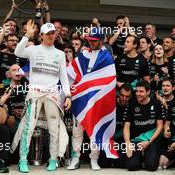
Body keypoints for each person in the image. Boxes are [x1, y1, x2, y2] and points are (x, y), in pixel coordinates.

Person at [13, 20, 71, 173]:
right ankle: (23, 160)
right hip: (35, 92)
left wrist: (68, 96)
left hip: (52, 94)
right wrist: (26, 35)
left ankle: (53, 159)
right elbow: (17, 52)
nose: (52, 36)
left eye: (53, 33)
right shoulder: (33, 49)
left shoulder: (59, 54)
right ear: (41, 36)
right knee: (28, 128)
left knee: (54, 129)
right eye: (48, 33)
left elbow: (64, 77)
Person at [67, 27, 115, 171]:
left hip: (97, 99)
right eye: (90, 40)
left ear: (101, 40)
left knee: (96, 129)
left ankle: (94, 159)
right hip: (80, 98)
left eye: (94, 41)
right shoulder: (83, 55)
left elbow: (109, 80)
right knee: (77, 131)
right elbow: (71, 73)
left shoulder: (107, 57)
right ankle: (75, 158)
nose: (91, 43)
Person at [123, 81, 165, 171]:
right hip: (135, 140)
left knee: (151, 166)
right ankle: (139, 157)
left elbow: (160, 126)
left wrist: (149, 141)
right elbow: (126, 126)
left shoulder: (156, 104)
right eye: (137, 91)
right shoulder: (132, 104)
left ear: (148, 92)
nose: (138, 94)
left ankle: (146, 156)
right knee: (131, 166)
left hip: (151, 140)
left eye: (141, 91)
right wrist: (127, 143)